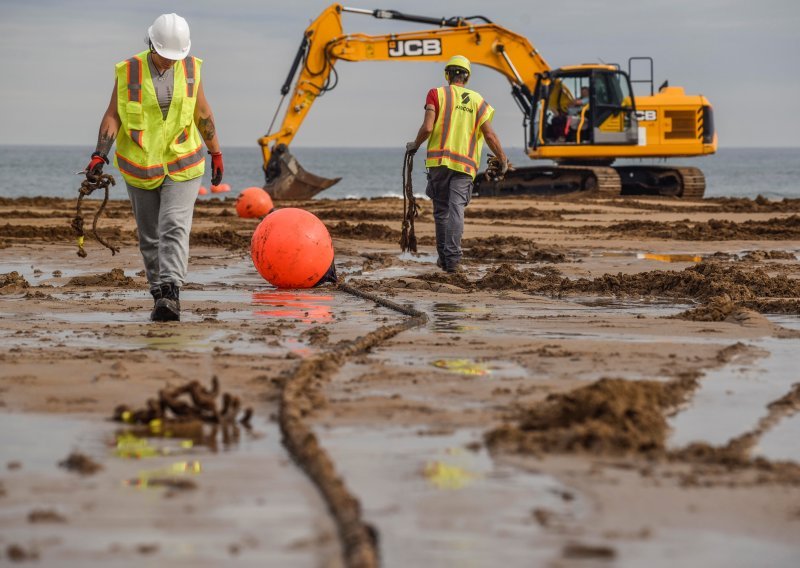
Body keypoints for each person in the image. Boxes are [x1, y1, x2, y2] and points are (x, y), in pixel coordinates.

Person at [85, 13, 223, 322]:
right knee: (149, 236)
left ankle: (171, 291)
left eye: (176, 56)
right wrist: (99, 154)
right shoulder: (128, 71)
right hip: (140, 166)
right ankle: (158, 294)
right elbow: (113, 115)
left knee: (173, 223)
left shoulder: (190, 68)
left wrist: (216, 152)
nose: (170, 61)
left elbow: (202, 112)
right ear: (152, 44)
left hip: (183, 162)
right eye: (165, 55)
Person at [406, 55, 508, 273]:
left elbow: (427, 128)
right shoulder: (478, 100)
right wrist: (502, 159)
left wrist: (414, 145)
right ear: (467, 76)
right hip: (465, 166)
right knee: (456, 210)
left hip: (438, 163)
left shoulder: (436, 94)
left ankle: (445, 259)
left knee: (441, 211)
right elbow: (489, 135)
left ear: (448, 74)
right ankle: (452, 261)